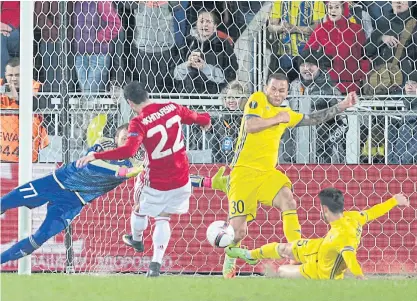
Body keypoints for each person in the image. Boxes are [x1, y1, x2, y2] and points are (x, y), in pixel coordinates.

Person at [222, 73, 357, 278]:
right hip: (243, 172)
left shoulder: (286, 113)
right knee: (238, 232)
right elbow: (251, 126)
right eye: (274, 89)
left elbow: (312, 119)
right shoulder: (257, 99)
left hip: (267, 174)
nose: (277, 94)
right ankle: (230, 257)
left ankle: (295, 252)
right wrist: (278, 118)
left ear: (287, 92)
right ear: (266, 88)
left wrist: (342, 105)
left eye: (282, 90)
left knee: (288, 200)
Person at [76, 81, 212, 277]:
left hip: (156, 181)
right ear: (147, 94)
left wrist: (95, 156)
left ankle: (137, 238)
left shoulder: (138, 123)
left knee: (139, 207)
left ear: (130, 103)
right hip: (182, 179)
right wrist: (206, 121)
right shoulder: (172, 107)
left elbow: (128, 151)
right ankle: (155, 264)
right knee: (163, 217)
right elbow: (195, 117)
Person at [0, 124, 143, 265]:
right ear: (116, 138)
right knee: (4, 202)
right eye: (124, 138)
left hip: (73, 202)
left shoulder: (136, 161)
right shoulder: (105, 144)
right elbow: (91, 163)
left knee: (40, 238)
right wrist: (121, 171)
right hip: (56, 183)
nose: (128, 143)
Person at [225, 189, 410, 280]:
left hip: (319, 271)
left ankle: (282, 266)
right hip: (320, 247)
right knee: (286, 248)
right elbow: (373, 212)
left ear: (324, 209)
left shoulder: (342, 236)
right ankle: (249, 256)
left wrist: (360, 278)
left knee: (281, 272)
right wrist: (394, 200)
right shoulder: (353, 217)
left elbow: (350, 257)